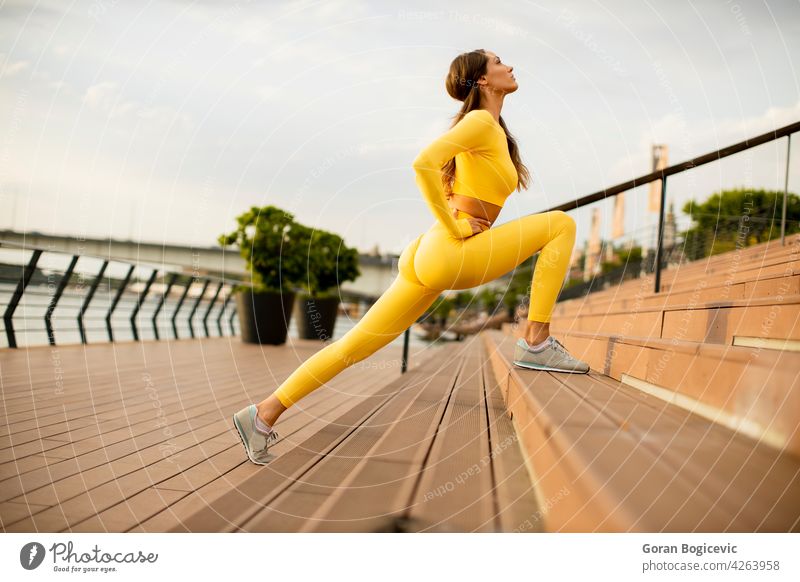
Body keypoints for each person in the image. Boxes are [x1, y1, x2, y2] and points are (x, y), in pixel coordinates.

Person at [233, 49, 589, 465]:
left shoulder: (488, 128)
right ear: (481, 81)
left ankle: (262, 415)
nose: (509, 65)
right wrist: (456, 226)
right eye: (498, 62)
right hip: (451, 249)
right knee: (561, 225)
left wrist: (451, 227)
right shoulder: (479, 122)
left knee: (354, 347)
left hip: (430, 251)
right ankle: (537, 342)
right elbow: (423, 164)